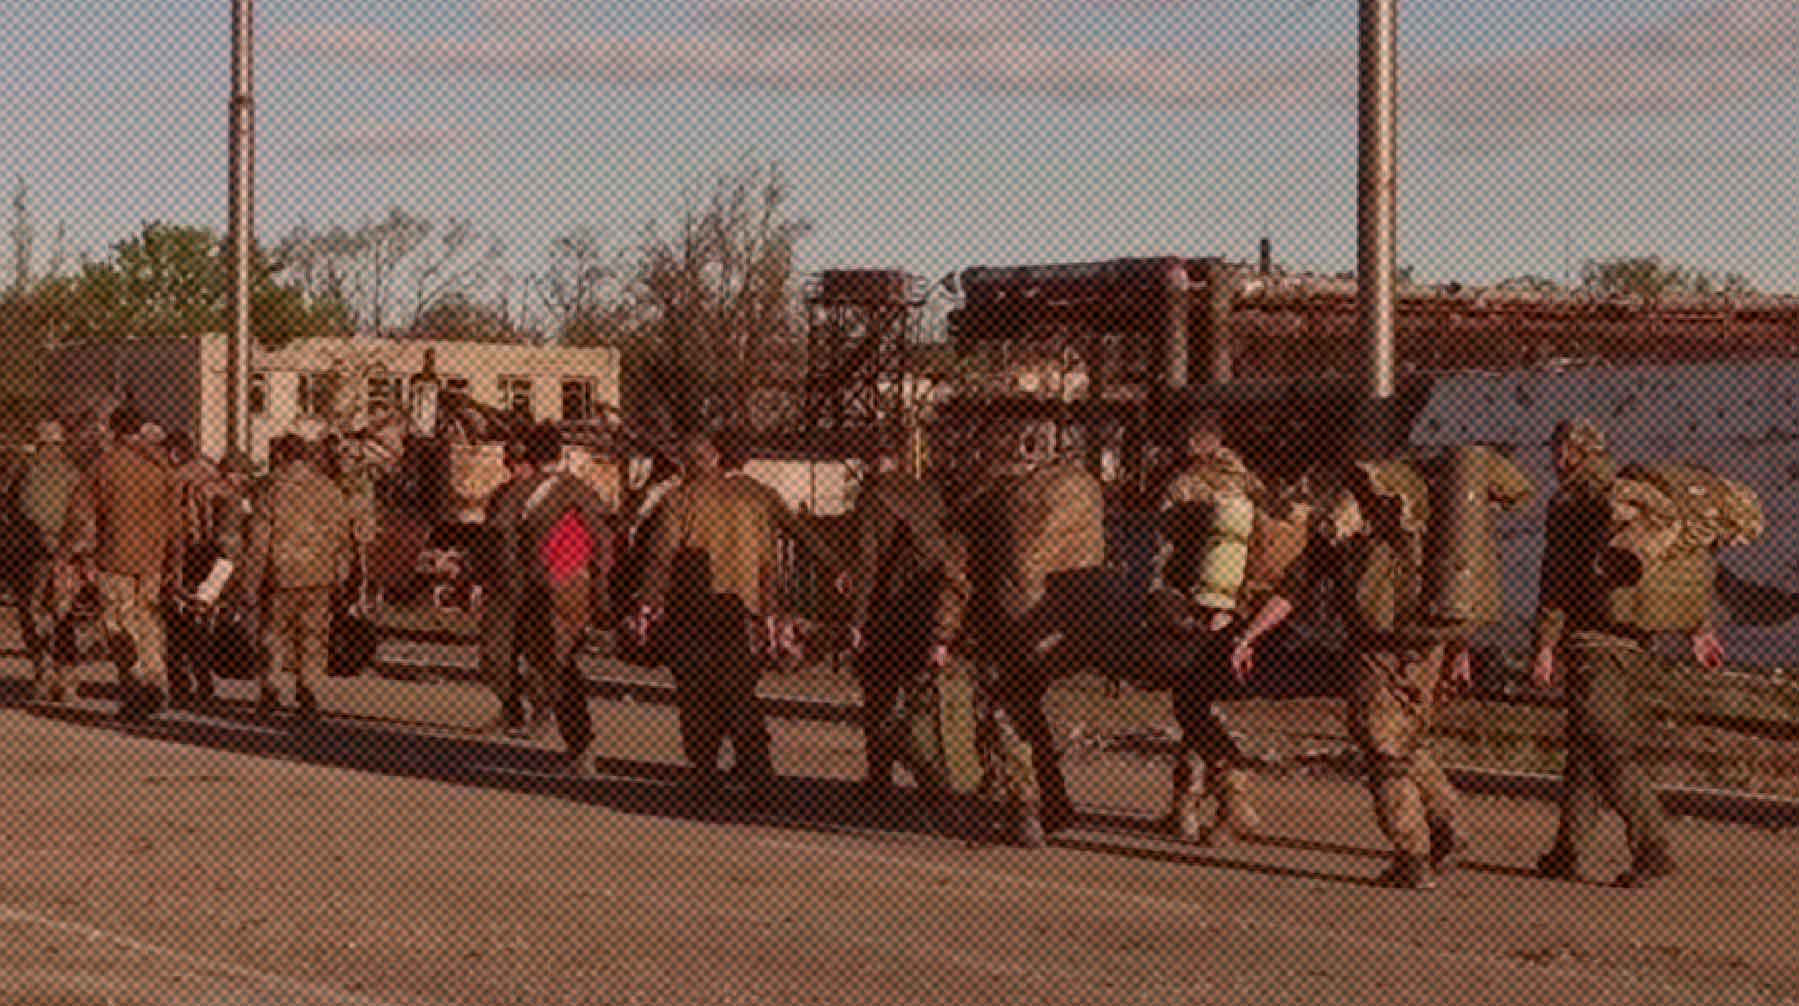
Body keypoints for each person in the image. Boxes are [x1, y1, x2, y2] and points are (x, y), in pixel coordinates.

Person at [1233, 453, 1481, 889]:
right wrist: (1460, 650)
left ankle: (1413, 855)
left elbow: (1295, 590)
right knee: (1406, 741)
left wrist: (1249, 634)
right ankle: (1447, 821)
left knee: (1383, 751)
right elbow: (1457, 592)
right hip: (1428, 649)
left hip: (1381, 653)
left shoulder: (1354, 540)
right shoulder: (1422, 529)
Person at [1532, 418, 1726, 888]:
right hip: (1637, 642)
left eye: (1557, 449)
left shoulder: (1573, 499)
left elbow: (1556, 579)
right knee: (1586, 745)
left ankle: (1653, 848)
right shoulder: (1635, 492)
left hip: (1591, 643)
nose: (1554, 459)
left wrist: (1544, 644)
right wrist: (1698, 628)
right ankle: (1568, 851)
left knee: (1609, 749)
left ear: (1570, 452)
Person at [632, 430, 845, 793]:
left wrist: (646, 607)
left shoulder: (679, 501)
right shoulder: (755, 500)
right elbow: (784, 547)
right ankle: (756, 768)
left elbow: (659, 558)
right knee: (740, 692)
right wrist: (830, 571)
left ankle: (705, 772)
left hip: (693, 613)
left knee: (696, 693)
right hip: (745, 613)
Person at [955, 420, 1108, 845]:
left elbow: (959, 568)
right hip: (1072, 622)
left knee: (1007, 710)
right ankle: (1055, 800)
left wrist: (943, 631)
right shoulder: (1081, 488)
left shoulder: (997, 498)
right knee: (1031, 710)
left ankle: (1025, 807)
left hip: (1010, 626)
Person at [1148, 413, 1269, 845]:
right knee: (1198, 702)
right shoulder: (1251, 483)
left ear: (1194, 444)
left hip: (1199, 608)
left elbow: (1163, 555)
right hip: (1243, 610)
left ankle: (1232, 801)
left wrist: (1160, 603)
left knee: (1191, 702)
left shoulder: (1182, 487)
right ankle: (1186, 804)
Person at [480, 424, 614, 773]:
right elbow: (602, 543)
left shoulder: (514, 495)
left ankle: (530, 714)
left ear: (531, 455)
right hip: (566, 585)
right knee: (561, 668)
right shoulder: (582, 491)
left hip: (526, 591)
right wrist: (600, 592)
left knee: (503, 657)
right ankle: (579, 744)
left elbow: (498, 541)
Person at [845, 442, 972, 799]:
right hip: (929, 604)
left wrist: (857, 620)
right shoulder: (928, 493)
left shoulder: (873, 496)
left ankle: (880, 776)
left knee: (880, 694)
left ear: (872, 461)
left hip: (889, 611)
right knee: (924, 694)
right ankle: (937, 773)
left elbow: (868, 562)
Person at [61, 406, 182, 720]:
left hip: (116, 560)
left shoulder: (106, 465)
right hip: (153, 560)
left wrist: (72, 555)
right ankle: (157, 684)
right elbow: (176, 522)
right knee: (149, 623)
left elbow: (81, 515)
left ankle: (134, 690)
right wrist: (174, 563)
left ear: (114, 430)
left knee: (119, 624)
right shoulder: (162, 466)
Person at [243, 435, 358, 724]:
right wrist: (341, 576)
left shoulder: (271, 489)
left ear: (281, 455)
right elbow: (344, 537)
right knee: (313, 636)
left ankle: (271, 691)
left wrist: (249, 583)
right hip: (320, 575)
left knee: (273, 635)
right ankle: (308, 692)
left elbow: (259, 542)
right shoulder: (328, 489)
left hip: (280, 576)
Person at [9, 420, 82, 702]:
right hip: (66, 555)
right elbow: (80, 514)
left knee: (33, 613)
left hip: (32, 556)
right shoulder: (72, 473)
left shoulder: (23, 472)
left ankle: (43, 673)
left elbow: (14, 511)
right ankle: (68, 678)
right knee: (64, 615)